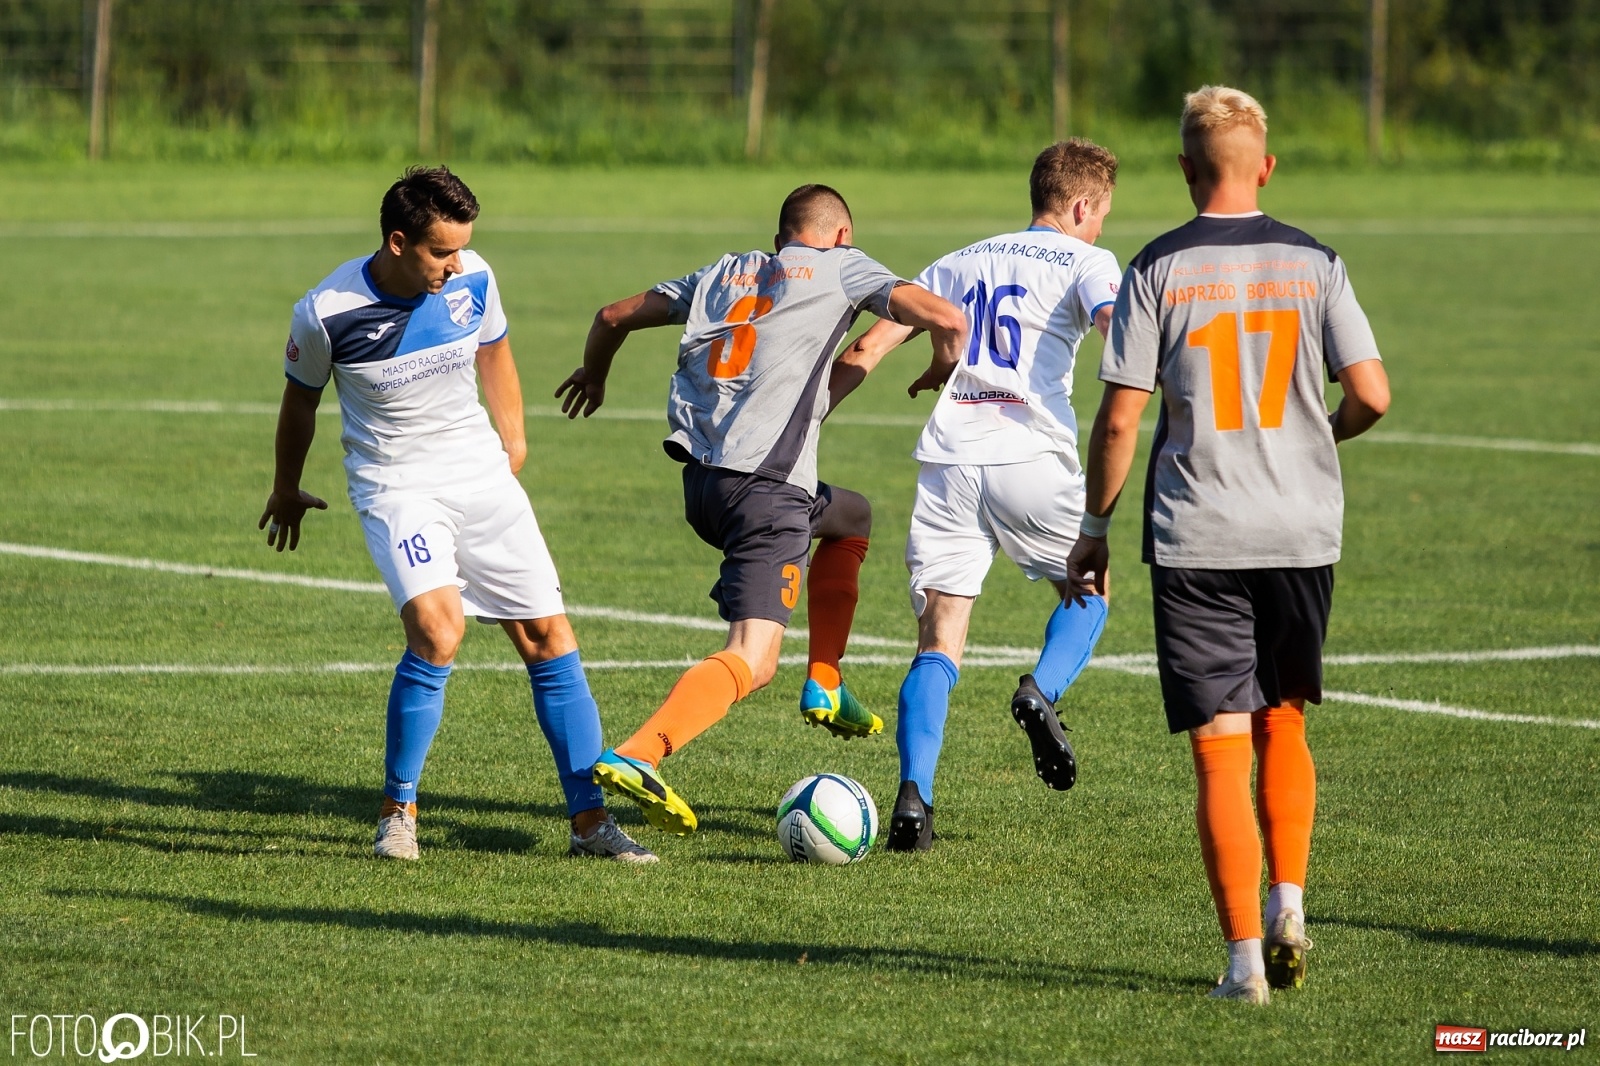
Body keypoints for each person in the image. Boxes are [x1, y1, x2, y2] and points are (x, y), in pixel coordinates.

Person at [1068, 86, 1390, 1003]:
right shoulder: (1314, 261)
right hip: (1299, 529)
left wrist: (1094, 529)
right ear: (1267, 167)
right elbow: (1372, 393)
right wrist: (1318, 431)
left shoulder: (1157, 266)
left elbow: (1121, 419)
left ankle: (1245, 963)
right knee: (1284, 716)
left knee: (1219, 745)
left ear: (1183, 170)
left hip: (1198, 531)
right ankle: (1292, 900)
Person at [260, 165, 655, 864]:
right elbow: (300, 400)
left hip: (479, 475)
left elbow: (495, 350)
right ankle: (398, 811)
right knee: (439, 633)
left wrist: (515, 436)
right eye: (441, 251)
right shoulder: (325, 311)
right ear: (397, 241)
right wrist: (285, 486)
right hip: (397, 485)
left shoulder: (475, 277)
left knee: (548, 635)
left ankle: (589, 823)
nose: (456, 263)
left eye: (462, 248)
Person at [556, 184, 966, 836]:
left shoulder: (722, 273)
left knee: (851, 517)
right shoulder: (843, 267)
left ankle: (826, 681)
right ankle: (641, 752)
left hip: (705, 488)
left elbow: (611, 315)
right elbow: (947, 316)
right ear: (838, 238)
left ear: (780, 238)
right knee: (754, 656)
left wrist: (595, 373)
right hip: (766, 493)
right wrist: (944, 359)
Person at [828, 140, 1123, 852]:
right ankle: (1042, 692)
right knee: (1090, 589)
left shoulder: (957, 262)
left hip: (950, 463)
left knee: (938, 637)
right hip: (1030, 457)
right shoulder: (1089, 262)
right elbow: (1116, 326)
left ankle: (913, 800)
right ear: (1082, 205)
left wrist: (800, 423)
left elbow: (866, 351)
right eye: (1102, 215)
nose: (1100, 229)